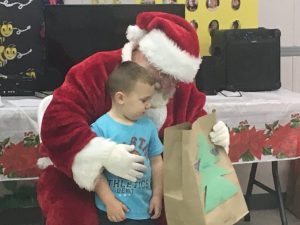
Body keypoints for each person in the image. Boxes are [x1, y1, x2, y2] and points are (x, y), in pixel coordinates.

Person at [37, 12, 230, 225]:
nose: (165, 84)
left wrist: (212, 137)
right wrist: (103, 155)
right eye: (161, 71)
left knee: (188, 213)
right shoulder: (98, 68)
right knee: (74, 215)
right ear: (141, 50)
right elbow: (58, 120)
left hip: (149, 183)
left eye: (173, 78)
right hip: (81, 176)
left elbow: (194, 121)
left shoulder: (177, 88)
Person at [92, 61, 163, 225]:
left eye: (150, 99)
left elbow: (157, 161)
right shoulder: (100, 128)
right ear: (120, 98)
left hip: (144, 210)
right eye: (144, 100)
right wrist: (109, 201)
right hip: (113, 211)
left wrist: (157, 195)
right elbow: (93, 170)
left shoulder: (148, 126)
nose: (149, 105)